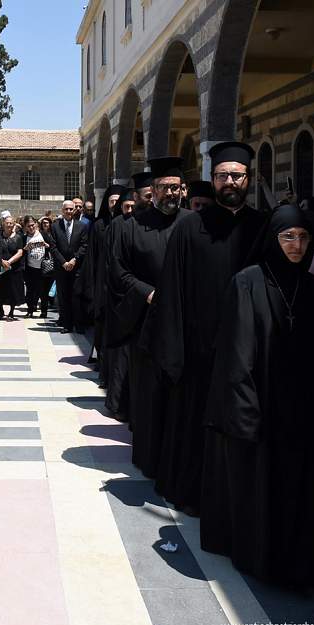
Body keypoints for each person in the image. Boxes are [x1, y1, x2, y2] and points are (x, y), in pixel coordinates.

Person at [201, 205, 314, 587]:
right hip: (264, 411)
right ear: (272, 239)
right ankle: (264, 558)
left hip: (304, 414)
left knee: (302, 492)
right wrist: (245, 412)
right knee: (264, 491)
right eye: (288, 237)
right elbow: (236, 354)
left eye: (303, 238)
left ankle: (303, 562)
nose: (296, 245)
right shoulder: (247, 283)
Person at [146, 142, 267, 514]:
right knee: (196, 428)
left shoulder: (263, 228)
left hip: (252, 355)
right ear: (212, 179)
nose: (229, 182)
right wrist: (173, 350)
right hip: (199, 354)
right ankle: (195, 495)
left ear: (249, 179)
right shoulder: (189, 228)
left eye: (236, 175)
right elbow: (171, 292)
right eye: (222, 175)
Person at [108, 157, 191, 478]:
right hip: (146, 322)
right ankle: (148, 457)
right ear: (153, 191)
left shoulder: (194, 224)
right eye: (165, 188)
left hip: (186, 324)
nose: (171, 193)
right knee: (148, 393)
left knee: (181, 396)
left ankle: (178, 460)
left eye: (176, 188)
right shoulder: (131, 227)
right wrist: (149, 293)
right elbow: (119, 271)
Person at [101, 190, 137, 420]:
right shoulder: (116, 226)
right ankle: (118, 403)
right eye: (126, 207)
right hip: (121, 297)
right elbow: (111, 263)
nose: (130, 211)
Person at [85, 185, 125, 362]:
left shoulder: (129, 224)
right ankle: (101, 358)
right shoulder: (99, 225)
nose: (114, 204)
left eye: (117, 201)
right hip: (102, 282)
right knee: (102, 321)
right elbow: (91, 258)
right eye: (111, 201)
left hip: (122, 283)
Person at [49, 199, 89, 332]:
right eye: (66, 209)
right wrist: (64, 262)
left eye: (71, 209)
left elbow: (84, 245)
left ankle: (79, 324)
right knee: (64, 297)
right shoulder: (55, 226)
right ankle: (67, 325)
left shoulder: (81, 226)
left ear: (74, 210)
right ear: (62, 210)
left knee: (77, 296)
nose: (69, 211)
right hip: (61, 268)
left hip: (76, 267)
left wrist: (74, 260)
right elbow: (53, 247)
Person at [0, 214, 25, 320]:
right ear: (3, 224)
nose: (9, 225)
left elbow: (20, 252)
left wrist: (9, 262)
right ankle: (1, 310)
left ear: (14, 224)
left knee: (13, 290)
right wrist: (1, 261)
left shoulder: (18, 237)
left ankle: (11, 311)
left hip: (14, 268)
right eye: (7, 223)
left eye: (11, 223)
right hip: (0, 267)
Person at [23, 216, 54, 319]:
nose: (31, 227)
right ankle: (30, 310)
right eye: (29, 226)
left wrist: (47, 245)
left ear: (36, 224)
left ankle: (44, 312)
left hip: (43, 268)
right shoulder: (24, 237)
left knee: (43, 291)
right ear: (25, 227)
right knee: (30, 290)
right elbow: (21, 252)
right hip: (30, 268)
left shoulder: (43, 234)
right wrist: (25, 249)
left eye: (33, 225)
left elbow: (53, 246)